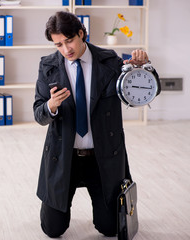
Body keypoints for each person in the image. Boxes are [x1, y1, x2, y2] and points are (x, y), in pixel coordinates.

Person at [33, 11, 160, 238]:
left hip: (103, 156)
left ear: (81, 33)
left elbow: (148, 89)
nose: (65, 49)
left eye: (69, 40)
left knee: (110, 229)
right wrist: (51, 105)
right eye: (59, 44)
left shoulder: (110, 62)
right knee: (52, 230)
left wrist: (144, 66)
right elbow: (39, 114)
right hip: (63, 157)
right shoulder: (48, 66)